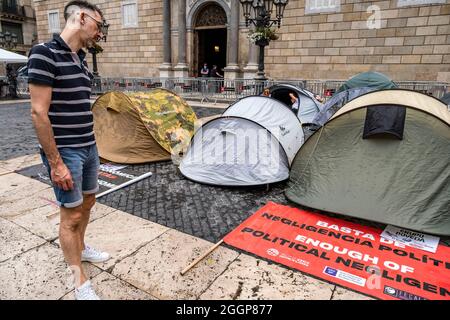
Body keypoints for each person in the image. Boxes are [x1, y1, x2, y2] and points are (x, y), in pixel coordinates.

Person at [28, 0, 109, 300]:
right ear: (81, 17)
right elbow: (38, 113)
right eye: (98, 25)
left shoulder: (80, 59)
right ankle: (79, 280)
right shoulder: (43, 53)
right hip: (67, 152)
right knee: (70, 217)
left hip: (89, 146)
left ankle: (82, 248)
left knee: (88, 204)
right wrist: (56, 162)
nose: (100, 33)